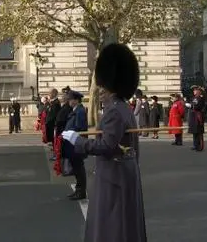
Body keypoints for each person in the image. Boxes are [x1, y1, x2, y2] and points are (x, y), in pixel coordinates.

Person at [62, 43, 147, 242]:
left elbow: (107, 146)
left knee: (111, 225)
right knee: (126, 224)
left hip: (113, 175)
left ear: (111, 85)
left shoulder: (114, 112)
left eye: (103, 87)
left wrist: (79, 141)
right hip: (126, 171)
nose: (99, 90)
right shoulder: (123, 107)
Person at [62, 90, 88, 200]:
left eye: (70, 99)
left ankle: (81, 192)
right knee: (76, 169)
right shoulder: (75, 110)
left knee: (79, 168)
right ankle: (78, 190)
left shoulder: (80, 111)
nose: (68, 101)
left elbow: (80, 128)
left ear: (76, 100)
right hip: (72, 143)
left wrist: (70, 133)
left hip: (76, 144)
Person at [53, 89, 73, 161]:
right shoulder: (64, 106)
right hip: (60, 129)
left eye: (64, 96)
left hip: (62, 129)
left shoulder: (67, 107)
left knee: (63, 149)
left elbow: (63, 119)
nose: (62, 97)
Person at [185, 85, 206, 151]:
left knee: (199, 131)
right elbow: (192, 104)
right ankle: (195, 145)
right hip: (193, 116)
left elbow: (199, 106)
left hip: (198, 116)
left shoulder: (201, 98)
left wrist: (191, 106)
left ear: (199, 91)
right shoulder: (194, 98)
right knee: (194, 131)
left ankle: (200, 146)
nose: (194, 91)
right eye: (194, 90)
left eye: (195, 90)